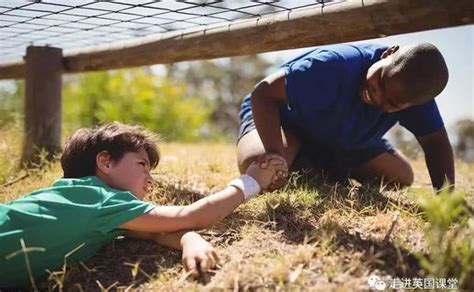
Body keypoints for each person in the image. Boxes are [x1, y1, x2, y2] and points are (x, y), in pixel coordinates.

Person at [0, 122, 286, 288]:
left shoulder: (84, 204)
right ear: (106, 161)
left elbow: (151, 231)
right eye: (142, 166)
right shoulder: (101, 198)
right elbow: (191, 214)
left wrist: (190, 239)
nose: (150, 182)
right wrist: (251, 182)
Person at [237, 43, 454, 190]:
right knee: (258, 166)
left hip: (345, 139)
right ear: (389, 53)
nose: (377, 97)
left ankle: (320, 162)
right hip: (287, 122)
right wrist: (276, 155)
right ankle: (301, 156)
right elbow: (263, 92)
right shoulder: (332, 65)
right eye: (380, 80)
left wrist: (447, 198)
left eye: (392, 103)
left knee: (401, 177)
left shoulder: (414, 95)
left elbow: (436, 142)